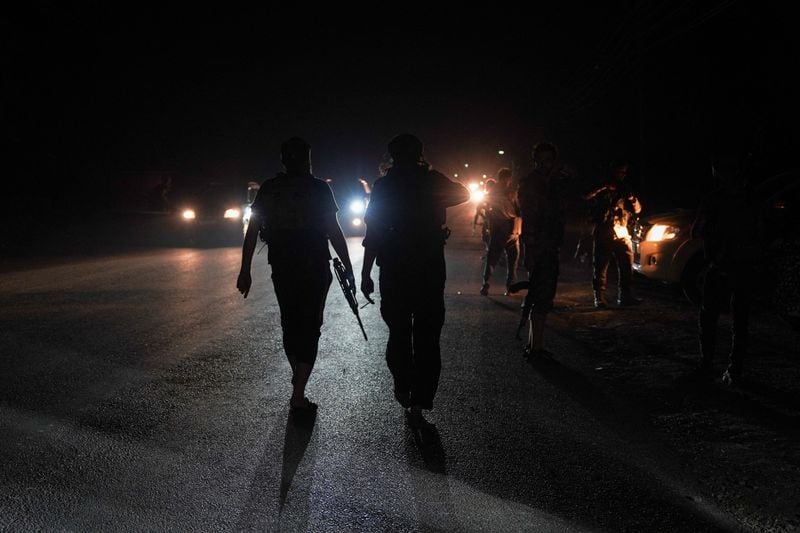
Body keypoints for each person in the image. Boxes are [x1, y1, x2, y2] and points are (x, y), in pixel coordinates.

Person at [237, 137, 355, 416]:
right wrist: (349, 268)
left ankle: (298, 381)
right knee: (310, 324)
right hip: (314, 264)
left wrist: (245, 271)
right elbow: (334, 230)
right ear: (307, 160)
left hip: (283, 265)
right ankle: (299, 392)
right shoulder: (319, 188)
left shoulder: (271, 188)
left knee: (290, 323)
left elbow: (252, 231)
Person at [360, 134, 469, 428]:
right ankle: (420, 400)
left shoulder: (384, 186)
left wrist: (366, 273)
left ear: (392, 157)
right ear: (420, 154)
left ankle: (404, 387)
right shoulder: (431, 181)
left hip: (394, 268)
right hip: (429, 268)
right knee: (427, 336)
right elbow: (463, 194)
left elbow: (373, 232)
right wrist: (429, 179)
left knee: (398, 332)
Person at [691, 147, 760, 386]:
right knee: (739, 320)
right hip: (742, 266)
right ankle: (733, 369)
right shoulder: (750, 198)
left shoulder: (714, 199)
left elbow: (696, 230)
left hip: (722, 265)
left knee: (710, 317)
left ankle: (708, 365)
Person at [517, 142, 568, 360]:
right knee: (540, 295)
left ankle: (535, 345)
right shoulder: (531, 184)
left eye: (549, 160)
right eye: (541, 160)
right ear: (535, 161)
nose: (545, 164)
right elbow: (529, 218)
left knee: (544, 296)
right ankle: (534, 347)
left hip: (550, 245)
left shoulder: (555, 183)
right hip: (538, 246)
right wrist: (530, 250)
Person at [584, 160, 642, 307]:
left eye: (624, 172)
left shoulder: (625, 188)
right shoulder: (601, 186)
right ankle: (599, 297)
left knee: (627, 264)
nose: (622, 175)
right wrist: (604, 187)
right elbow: (585, 196)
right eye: (619, 171)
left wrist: (632, 198)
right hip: (604, 229)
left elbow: (638, 209)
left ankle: (625, 296)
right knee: (601, 265)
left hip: (621, 230)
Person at [480, 168, 521, 295]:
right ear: (508, 179)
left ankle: (486, 284)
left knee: (494, 258)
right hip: (508, 227)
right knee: (510, 259)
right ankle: (508, 286)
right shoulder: (510, 192)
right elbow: (518, 212)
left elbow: (486, 209)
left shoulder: (495, 191)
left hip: (502, 227)